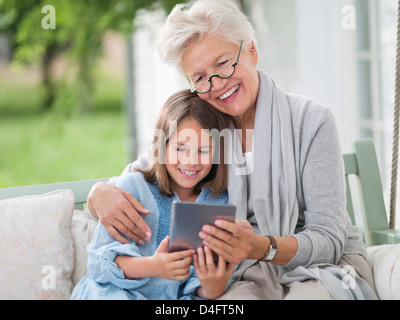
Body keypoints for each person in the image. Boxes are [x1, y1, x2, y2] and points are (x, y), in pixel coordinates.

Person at [87, 0, 378, 299]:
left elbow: (328, 239)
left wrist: (260, 246)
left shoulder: (310, 121)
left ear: (251, 50)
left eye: (223, 63)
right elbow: (147, 172)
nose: (217, 83)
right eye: (199, 77)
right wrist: (99, 194)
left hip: (320, 265)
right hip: (240, 273)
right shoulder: (201, 125)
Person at [71, 89, 235, 300]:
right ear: (162, 146)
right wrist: (153, 266)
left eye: (203, 151)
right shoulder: (134, 187)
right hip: (112, 292)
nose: (191, 160)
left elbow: (199, 289)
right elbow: (99, 263)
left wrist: (214, 287)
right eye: (180, 148)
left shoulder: (219, 203)